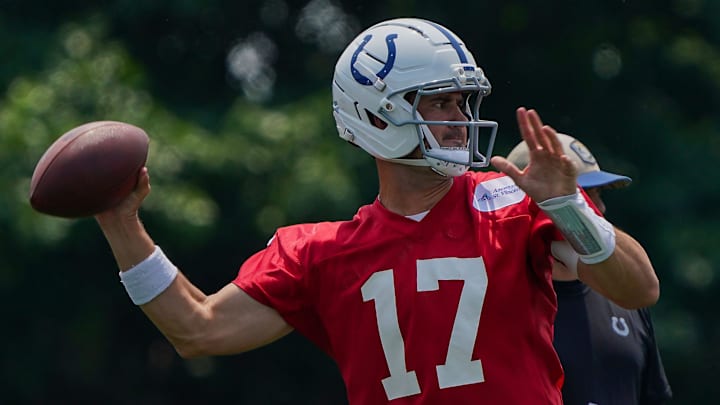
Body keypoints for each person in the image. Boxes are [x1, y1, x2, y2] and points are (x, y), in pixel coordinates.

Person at [95, 18, 659, 404]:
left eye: (463, 101)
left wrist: (568, 206)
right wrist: (121, 223)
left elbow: (638, 290)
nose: (460, 118)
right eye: (440, 101)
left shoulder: (513, 197)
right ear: (378, 114)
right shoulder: (318, 252)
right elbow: (198, 329)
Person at [506, 134, 673, 405]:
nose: (599, 210)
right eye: (581, 197)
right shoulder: (495, 300)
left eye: (596, 197)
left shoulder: (624, 295)